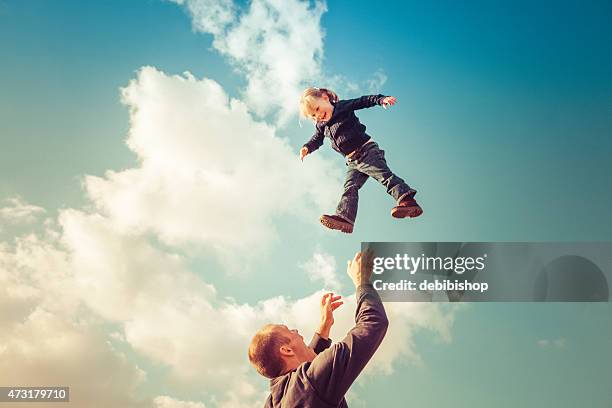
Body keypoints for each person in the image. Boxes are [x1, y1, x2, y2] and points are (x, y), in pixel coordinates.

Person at [248, 250, 388, 407]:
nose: (296, 331)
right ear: (286, 350)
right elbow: (373, 323)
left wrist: (324, 327)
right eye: (289, 330)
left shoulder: (275, 401)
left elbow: (305, 374)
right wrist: (361, 281)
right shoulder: (311, 383)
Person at [299, 87, 422, 234]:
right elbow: (316, 139)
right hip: (352, 161)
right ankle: (345, 218)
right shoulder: (321, 126)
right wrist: (307, 147)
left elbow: (363, 101)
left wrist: (380, 99)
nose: (318, 116)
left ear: (325, 97)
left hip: (366, 151)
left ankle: (408, 201)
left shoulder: (342, 107)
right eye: (313, 116)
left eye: (318, 109)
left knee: (384, 176)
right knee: (350, 187)